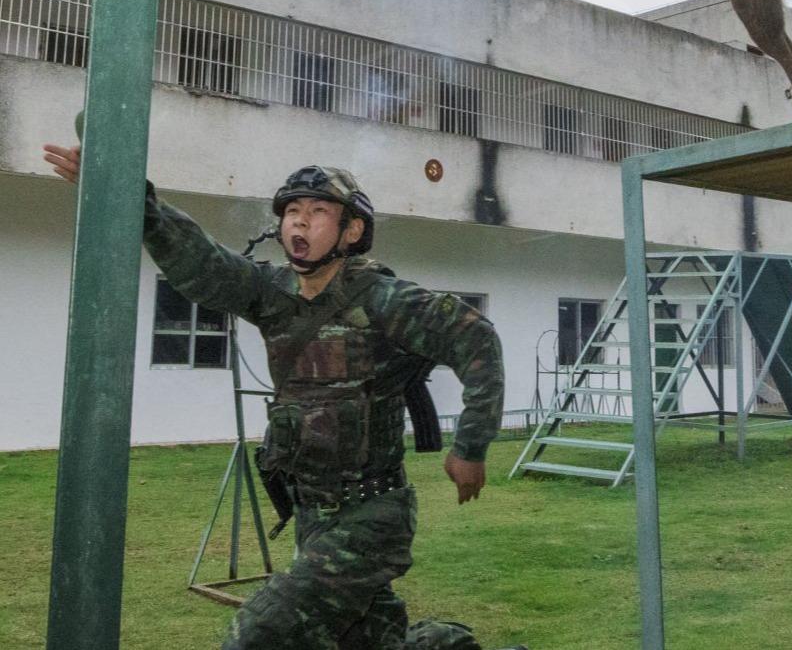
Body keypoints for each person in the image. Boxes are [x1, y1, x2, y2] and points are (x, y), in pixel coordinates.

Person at [43, 144, 527, 650]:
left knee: (257, 636)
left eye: (318, 213)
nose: (299, 224)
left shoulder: (385, 301)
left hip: (371, 517)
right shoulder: (271, 296)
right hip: (312, 516)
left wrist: (470, 446)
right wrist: (139, 203)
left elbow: (478, 340)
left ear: (352, 231)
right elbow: (204, 263)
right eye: (292, 212)